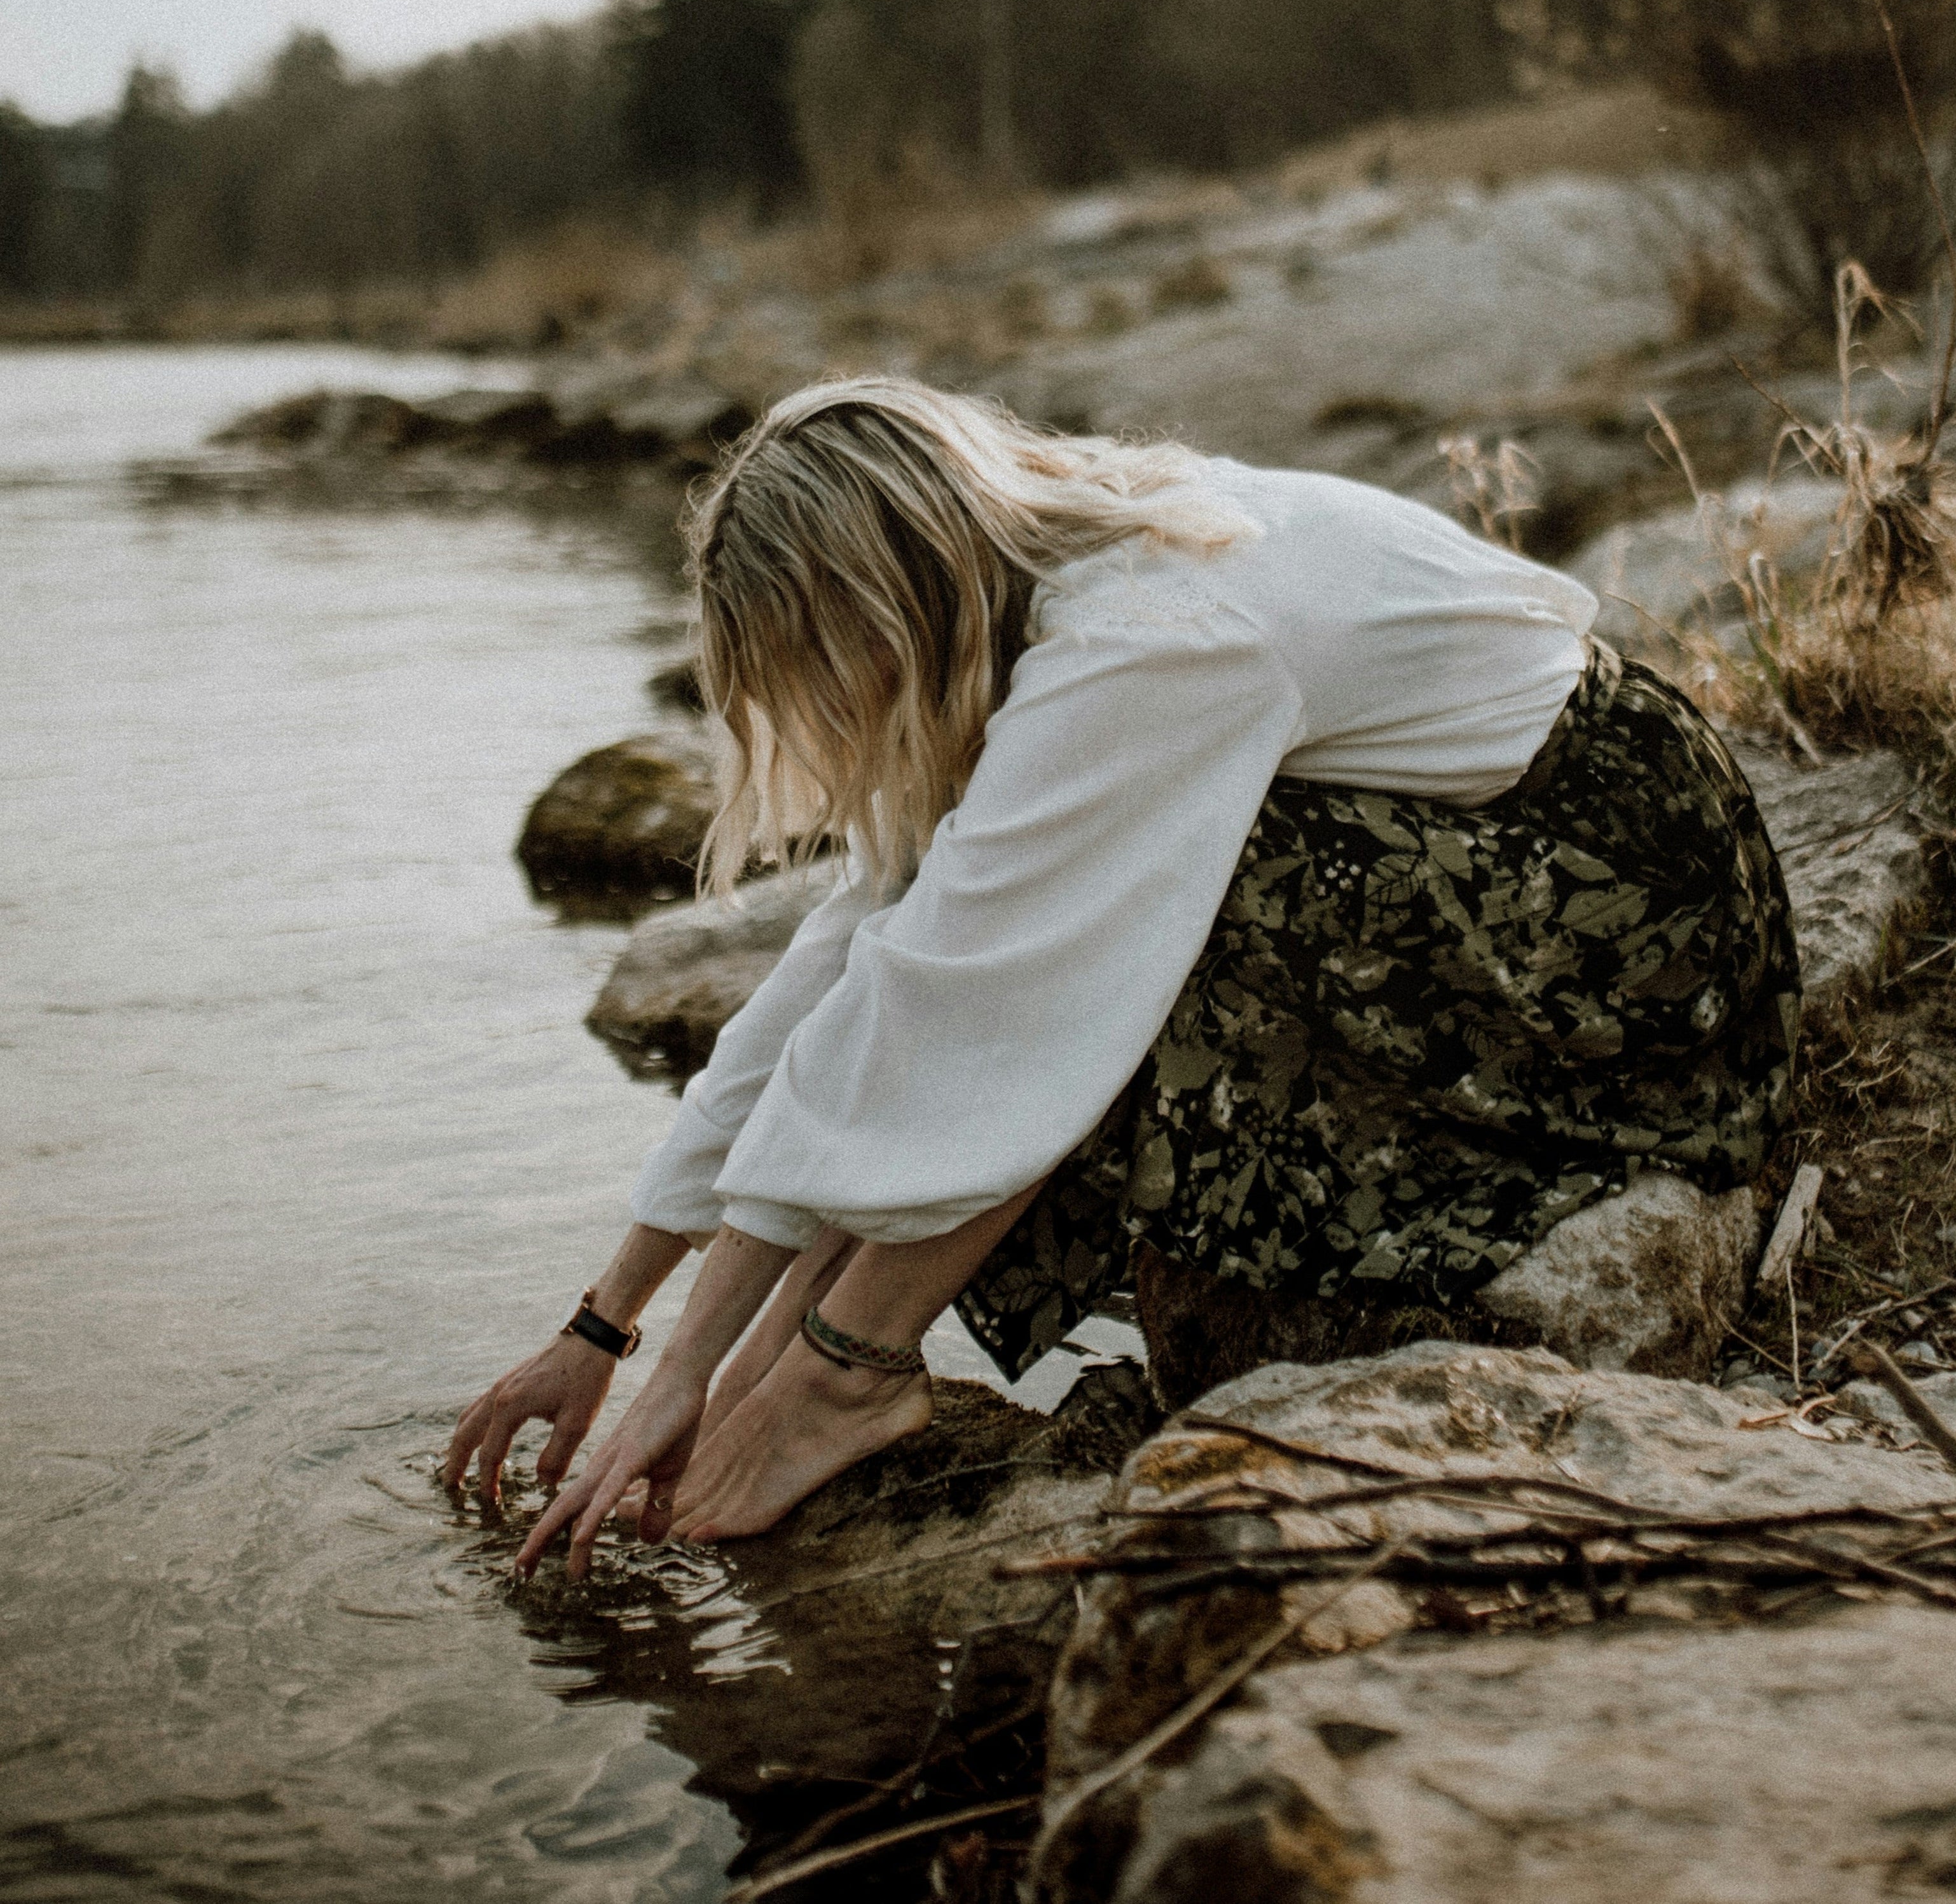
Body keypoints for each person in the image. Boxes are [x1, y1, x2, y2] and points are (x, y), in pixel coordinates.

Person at [447, 377, 1799, 1577]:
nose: (831, 711)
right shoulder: (1036, 565)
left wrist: (750, 1356)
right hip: (1510, 846)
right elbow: (853, 960)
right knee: (973, 953)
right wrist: (615, 1330)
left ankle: (845, 1381)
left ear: (888, 597)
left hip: (1627, 899)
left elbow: (966, 1014)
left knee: (1063, 957)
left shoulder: (1151, 636)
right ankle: (805, 1375)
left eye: (822, 664)